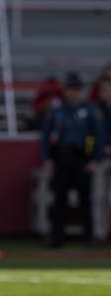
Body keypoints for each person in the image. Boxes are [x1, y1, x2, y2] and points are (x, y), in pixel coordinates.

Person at [41, 72, 105, 248]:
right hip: (62, 157)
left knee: (86, 199)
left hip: (82, 158)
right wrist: (47, 158)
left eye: (76, 89)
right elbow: (46, 135)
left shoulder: (89, 110)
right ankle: (56, 237)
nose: (73, 93)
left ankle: (88, 237)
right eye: (70, 89)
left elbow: (99, 136)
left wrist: (95, 159)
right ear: (65, 90)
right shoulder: (57, 110)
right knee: (59, 199)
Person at [92, 79, 111, 242]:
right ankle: (100, 234)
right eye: (103, 90)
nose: (105, 93)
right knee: (99, 197)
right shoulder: (97, 110)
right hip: (101, 159)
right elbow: (91, 135)